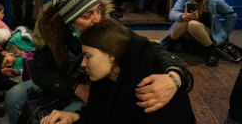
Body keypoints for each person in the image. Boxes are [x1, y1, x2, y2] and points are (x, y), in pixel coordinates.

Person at [5, 0, 193, 124]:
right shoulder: (50, 35)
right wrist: (73, 87)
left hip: (95, 90)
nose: (97, 19)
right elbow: (38, 71)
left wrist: (175, 76)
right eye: (87, 15)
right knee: (13, 96)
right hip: (66, 84)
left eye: (98, 10)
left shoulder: (107, 28)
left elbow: (149, 48)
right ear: (68, 21)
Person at [41, 18, 195, 124]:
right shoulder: (109, 80)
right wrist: (73, 117)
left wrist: (175, 75)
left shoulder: (149, 95)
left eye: (88, 56)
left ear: (111, 55)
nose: (82, 64)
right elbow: (100, 113)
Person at [161, 0, 237, 67]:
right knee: (184, 21)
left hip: (206, 33)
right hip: (187, 35)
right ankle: (170, 45)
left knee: (193, 24)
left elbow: (232, 16)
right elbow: (171, 14)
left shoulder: (216, 0)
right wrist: (183, 16)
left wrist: (224, 34)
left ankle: (211, 51)